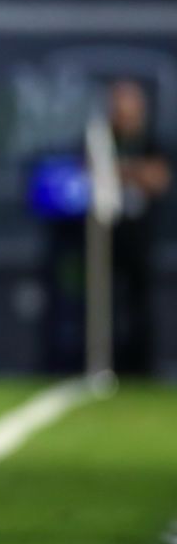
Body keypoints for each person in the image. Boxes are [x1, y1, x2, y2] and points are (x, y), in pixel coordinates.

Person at [107, 78, 170, 374]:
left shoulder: (151, 140)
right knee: (105, 302)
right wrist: (134, 172)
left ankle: (142, 367)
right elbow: (92, 173)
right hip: (105, 235)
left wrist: (125, 171)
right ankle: (106, 362)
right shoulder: (103, 139)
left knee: (139, 301)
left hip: (141, 235)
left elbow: (158, 178)